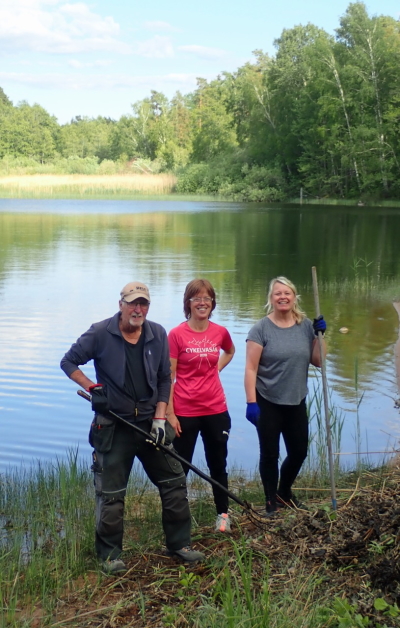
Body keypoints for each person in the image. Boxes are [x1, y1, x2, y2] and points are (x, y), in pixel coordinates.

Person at [60, 281, 204, 574]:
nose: (138, 309)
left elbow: (165, 378)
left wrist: (161, 418)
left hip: (151, 424)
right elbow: (68, 361)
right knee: (111, 495)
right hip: (114, 425)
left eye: (144, 304)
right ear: (121, 305)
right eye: (133, 303)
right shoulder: (100, 332)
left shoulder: (158, 333)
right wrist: (92, 387)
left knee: (174, 483)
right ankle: (110, 555)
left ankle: (179, 544)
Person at [244, 276, 327, 516]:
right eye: (278, 293)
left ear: (294, 297)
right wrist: (251, 403)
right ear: (271, 298)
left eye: (287, 293)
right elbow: (250, 368)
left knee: (299, 451)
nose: (283, 297)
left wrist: (322, 336)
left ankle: (284, 492)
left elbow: (318, 361)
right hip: (267, 400)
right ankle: (271, 501)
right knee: (270, 454)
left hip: (296, 399)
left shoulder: (305, 326)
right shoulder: (260, 329)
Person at [167, 279, 235, 533]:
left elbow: (230, 351)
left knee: (218, 464)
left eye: (207, 298)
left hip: (216, 409)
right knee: (179, 469)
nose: (202, 303)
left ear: (212, 303)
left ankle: (223, 516)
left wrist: (215, 369)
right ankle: (178, 521)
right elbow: (169, 377)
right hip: (185, 411)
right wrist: (170, 414)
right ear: (188, 303)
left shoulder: (220, 332)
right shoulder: (176, 334)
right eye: (197, 298)